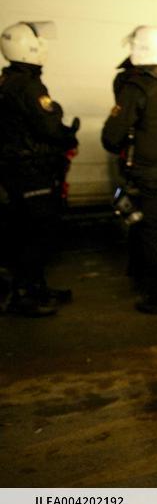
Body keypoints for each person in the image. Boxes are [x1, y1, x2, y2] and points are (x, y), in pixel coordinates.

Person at [0, 21, 78, 317]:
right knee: (36, 233)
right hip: (30, 170)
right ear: (28, 47)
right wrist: (66, 132)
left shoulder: (7, 81)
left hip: (14, 170)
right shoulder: (28, 85)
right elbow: (48, 126)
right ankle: (26, 295)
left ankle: (36, 287)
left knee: (24, 231)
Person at [101, 26, 157, 314]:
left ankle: (154, 296)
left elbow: (112, 137)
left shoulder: (137, 87)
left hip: (150, 175)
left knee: (152, 233)